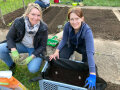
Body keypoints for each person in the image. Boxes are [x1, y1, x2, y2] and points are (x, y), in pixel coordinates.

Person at [49, 7, 96, 89]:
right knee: (61, 57)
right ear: (69, 20)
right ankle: (69, 59)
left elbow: (90, 52)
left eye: (77, 19)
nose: (74, 22)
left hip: (82, 47)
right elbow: (63, 40)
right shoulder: (67, 26)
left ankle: (84, 67)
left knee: (86, 64)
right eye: (72, 19)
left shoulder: (87, 31)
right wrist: (56, 51)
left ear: (82, 19)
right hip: (71, 44)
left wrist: (93, 74)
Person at [0, 3, 48, 74]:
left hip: (35, 48)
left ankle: (34, 61)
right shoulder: (19, 22)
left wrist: (31, 57)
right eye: (33, 14)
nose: (35, 18)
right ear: (27, 14)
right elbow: (10, 37)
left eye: (38, 15)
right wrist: (13, 49)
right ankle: (11, 65)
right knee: (1, 49)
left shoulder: (43, 27)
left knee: (33, 69)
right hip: (21, 45)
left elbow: (42, 46)